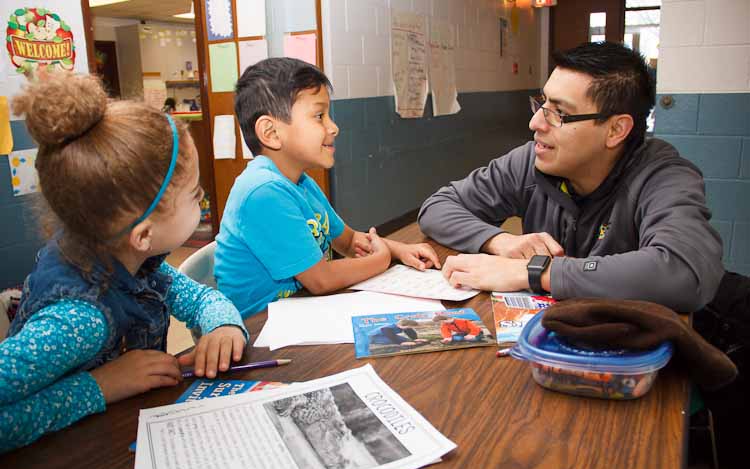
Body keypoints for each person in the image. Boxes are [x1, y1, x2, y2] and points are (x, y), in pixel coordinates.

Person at [0, 73, 248, 452]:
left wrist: (223, 325)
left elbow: (200, 299)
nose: (203, 201)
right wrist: (100, 386)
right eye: (195, 193)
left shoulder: (131, 260)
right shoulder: (78, 319)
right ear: (144, 234)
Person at [418, 42, 723, 313]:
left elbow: (686, 272)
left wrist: (537, 272)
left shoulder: (662, 176)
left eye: (559, 113)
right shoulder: (531, 161)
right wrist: (498, 240)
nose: (535, 122)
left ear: (616, 130)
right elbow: (438, 206)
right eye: (542, 104)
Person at [216, 57, 440, 318]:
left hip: (302, 311)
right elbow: (320, 280)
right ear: (271, 133)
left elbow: (347, 241)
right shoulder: (262, 192)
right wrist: (381, 259)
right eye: (319, 116)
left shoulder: (300, 182)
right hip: (261, 328)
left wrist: (399, 250)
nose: (333, 127)